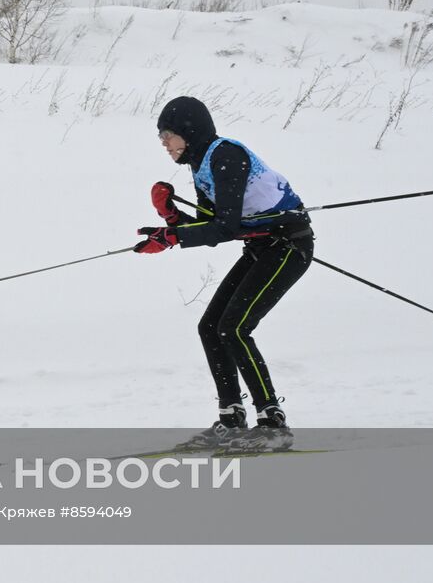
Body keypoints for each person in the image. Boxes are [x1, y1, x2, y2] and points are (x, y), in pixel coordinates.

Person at [133, 96, 314, 451]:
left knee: (234, 328)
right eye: (161, 137)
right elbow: (210, 225)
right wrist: (170, 219)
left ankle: (272, 422)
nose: (164, 144)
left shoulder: (225, 154)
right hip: (263, 248)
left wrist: (173, 237)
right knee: (210, 327)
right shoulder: (200, 164)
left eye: (167, 135)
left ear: (189, 131)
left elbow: (226, 227)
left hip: (289, 247)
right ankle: (231, 419)